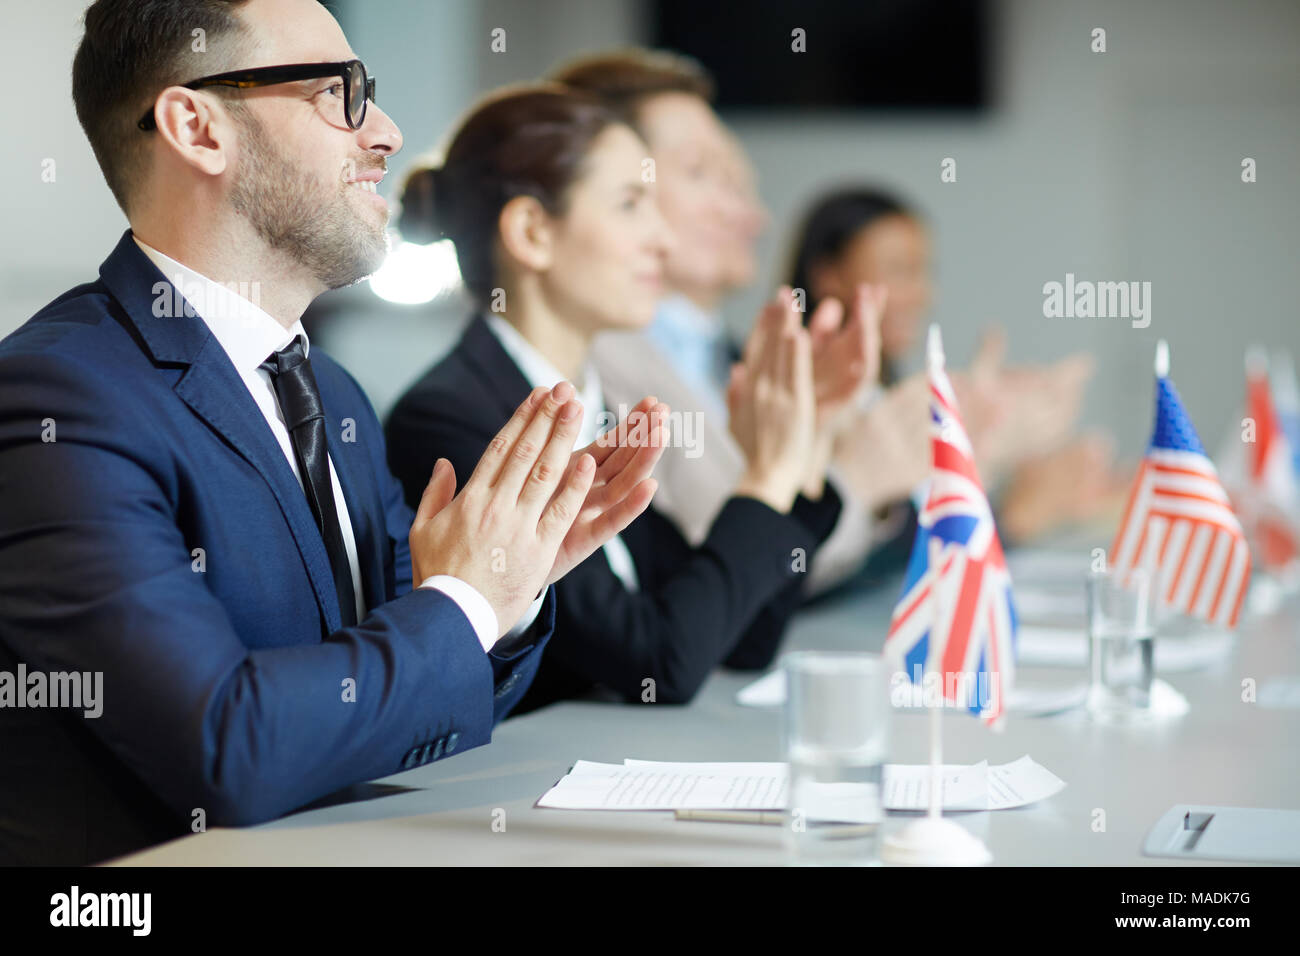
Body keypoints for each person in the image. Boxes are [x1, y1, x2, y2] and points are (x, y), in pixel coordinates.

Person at [0, 0, 660, 866]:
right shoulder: (60, 394)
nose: (384, 132)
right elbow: (223, 747)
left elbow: (407, 688)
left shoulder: (331, 394)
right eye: (337, 93)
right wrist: (463, 605)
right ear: (198, 128)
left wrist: (507, 589)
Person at [385, 85, 876, 710]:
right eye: (629, 205)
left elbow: (743, 637)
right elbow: (658, 661)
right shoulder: (457, 416)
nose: (662, 242)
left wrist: (798, 453)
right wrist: (765, 478)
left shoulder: (594, 402)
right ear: (533, 231)